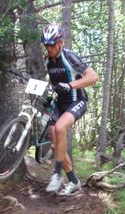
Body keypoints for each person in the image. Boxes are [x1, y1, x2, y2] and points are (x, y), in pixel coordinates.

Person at [41, 22, 99, 195]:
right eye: (46, 45)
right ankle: (73, 181)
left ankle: (57, 175)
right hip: (58, 104)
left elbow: (94, 77)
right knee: (55, 145)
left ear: (60, 43)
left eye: (51, 44)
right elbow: (52, 83)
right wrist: (47, 103)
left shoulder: (69, 57)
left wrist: (70, 85)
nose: (48, 48)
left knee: (60, 128)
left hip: (77, 101)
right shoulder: (47, 62)